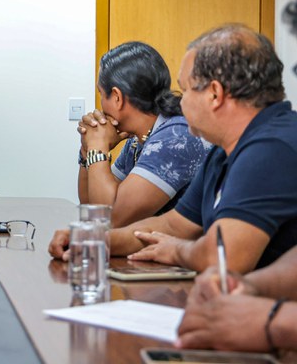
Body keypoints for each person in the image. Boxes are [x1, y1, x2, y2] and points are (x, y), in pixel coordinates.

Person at [49, 24, 297, 273]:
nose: (180, 101)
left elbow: (224, 257)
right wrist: (92, 240)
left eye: (186, 90)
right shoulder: (223, 153)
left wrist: (177, 249)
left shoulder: (270, 148)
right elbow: (173, 226)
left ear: (215, 94)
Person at [176, 0, 297, 353]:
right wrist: (255, 288)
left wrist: (274, 321)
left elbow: (216, 253)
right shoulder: (224, 150)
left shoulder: (275, 145)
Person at [76, 42, 211, 227]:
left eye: (101, 93)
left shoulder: (176, 136)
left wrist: (98, 147)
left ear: (116, 97)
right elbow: (90, 207)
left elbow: (109, 219)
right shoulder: (138, 140)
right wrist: (87, 150)